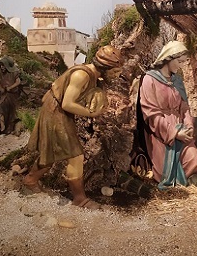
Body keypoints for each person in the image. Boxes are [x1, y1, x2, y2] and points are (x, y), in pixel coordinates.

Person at [23, 45, 123, 209]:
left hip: (60, 112)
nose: (117, 75)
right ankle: (79, 199)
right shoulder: (81, 75)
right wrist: (91, 113)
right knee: (75, 155)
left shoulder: (94, 77)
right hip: (55, 112)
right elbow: (67, 103)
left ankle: (31, 180)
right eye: (115, 71)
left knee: (52, 152)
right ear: (105, 67)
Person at [138, 40, 197, 189]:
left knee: (195, 161)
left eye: (183, 62)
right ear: (168, 58)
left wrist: (189, 126)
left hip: (181, 129)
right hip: (160, 133)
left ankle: (180, 182)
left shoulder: (177, 81)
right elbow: (151, 113)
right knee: (162, 174)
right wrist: (174, 133)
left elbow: (184, 108)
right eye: (179, 61)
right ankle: (174, 183)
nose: (181, 66)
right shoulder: (149, 80)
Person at [0, 56, 22, 135]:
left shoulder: (14, 72)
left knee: (6, 109)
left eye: (3, 65)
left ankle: (7, 127)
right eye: (0, 65)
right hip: (3, 94)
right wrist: (1, 89)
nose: (1, 67)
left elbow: (18, 82)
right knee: (0, 107)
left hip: (12, 95)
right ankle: (2, 126)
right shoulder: (1, 73)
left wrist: (10, 87)